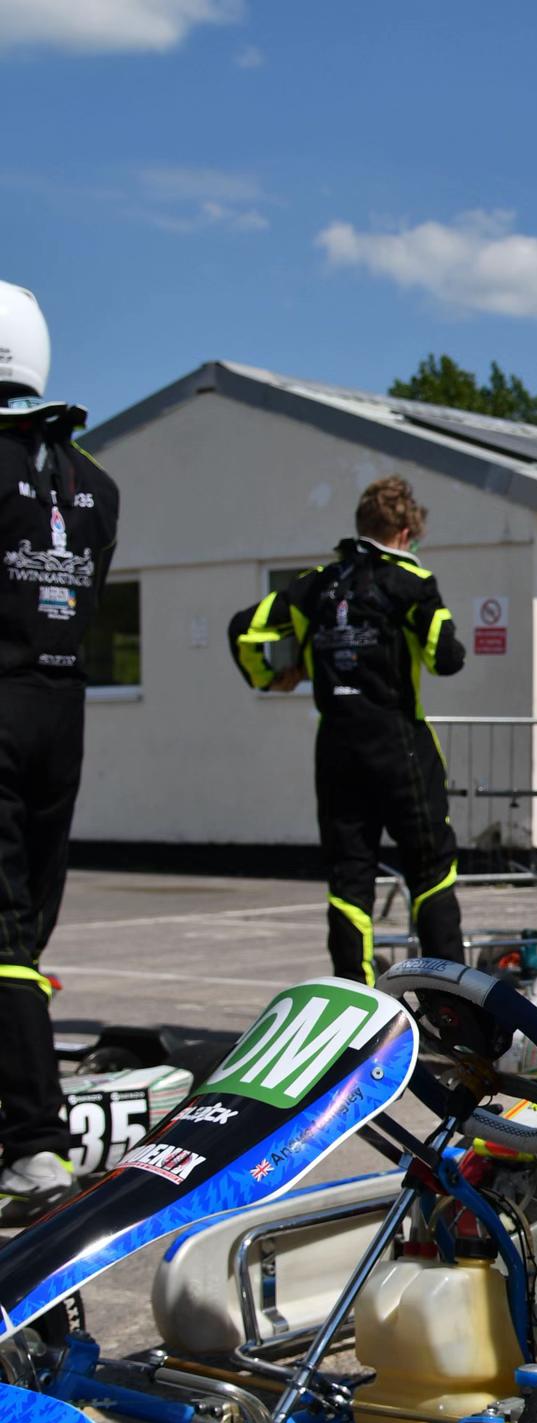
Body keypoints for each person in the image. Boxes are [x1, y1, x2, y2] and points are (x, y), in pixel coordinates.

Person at [229, 476, 465, 985]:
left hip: (337, 751)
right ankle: (452, 1005)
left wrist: (270, 678)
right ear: (405, 534)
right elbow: (447, 658)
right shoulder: (411, 581)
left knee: (348, 881)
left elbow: (243, 629)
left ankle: (357, 1005)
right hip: (401, 749)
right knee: (431, 873)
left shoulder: (314, 585)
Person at [0, 282, 120, 1224]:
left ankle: (32, 1145)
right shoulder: (96, 485)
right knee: (24, 930)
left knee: (1, 934)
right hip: (62, 711)